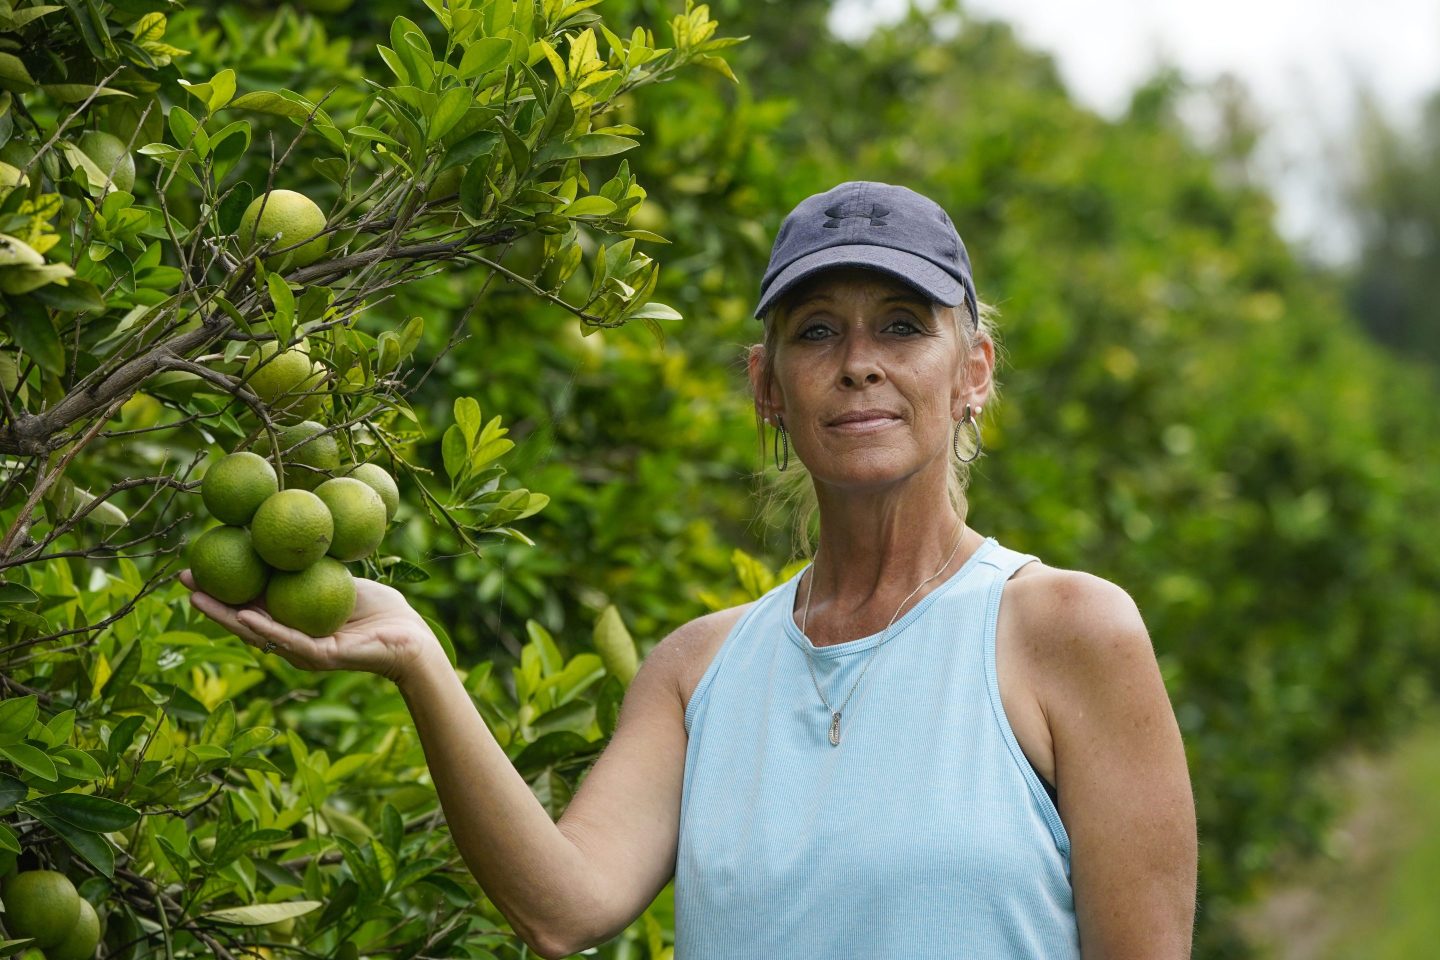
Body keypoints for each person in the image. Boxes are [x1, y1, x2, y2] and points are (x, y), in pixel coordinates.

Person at [183, 180, 1197, 959]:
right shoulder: (697, 670)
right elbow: (562, 906)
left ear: (972, 370)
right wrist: (417, 659)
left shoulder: (1067, 632)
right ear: (768, 387)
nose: (859, 362)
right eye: (815, 332)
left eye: (901, 324)